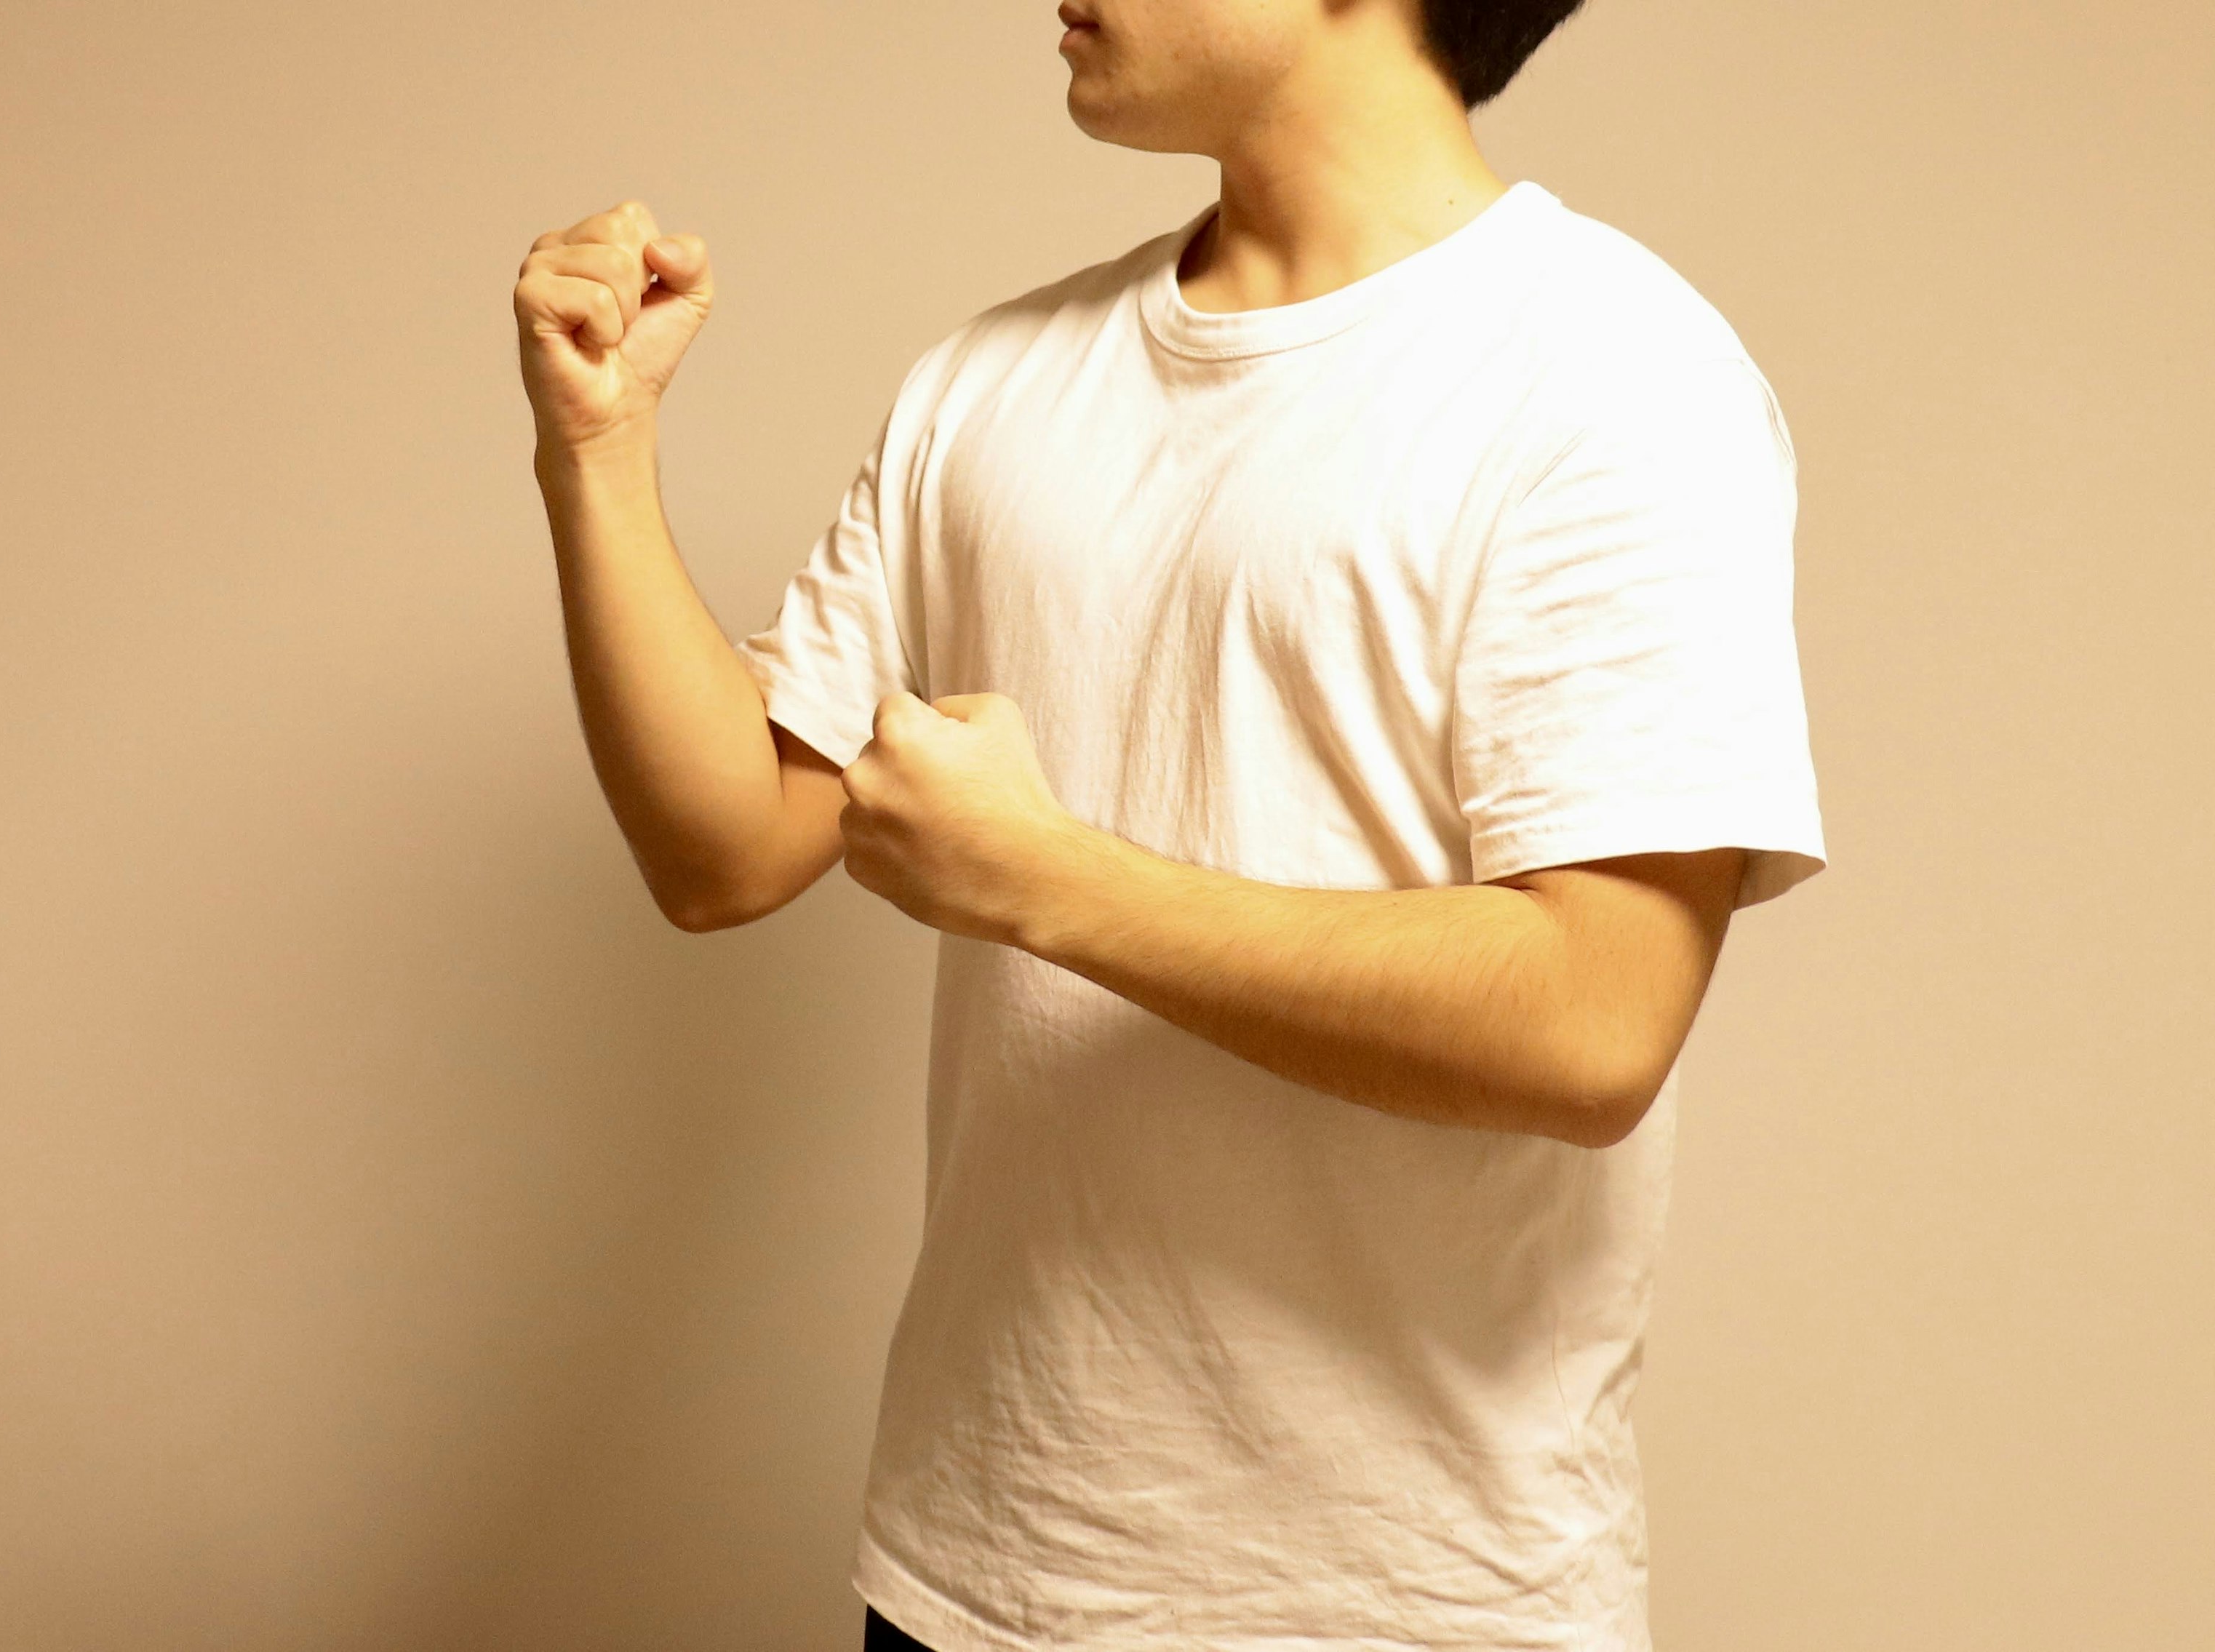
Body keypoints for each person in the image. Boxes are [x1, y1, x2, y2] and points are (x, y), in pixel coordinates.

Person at [511, 0, 1827, 1645]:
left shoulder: (1616, 378)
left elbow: (1594, 1019)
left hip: (1413, 1612)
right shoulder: (991, 382)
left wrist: (1048, 880)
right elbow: (727, 848)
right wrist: (600, 444)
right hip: (970, 1575)